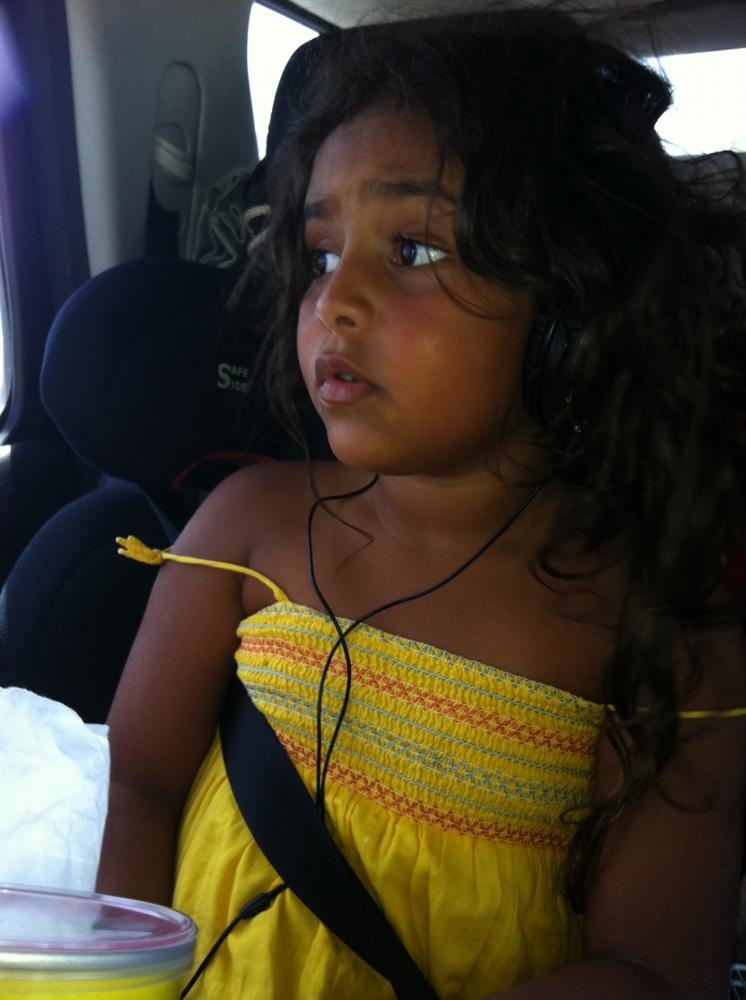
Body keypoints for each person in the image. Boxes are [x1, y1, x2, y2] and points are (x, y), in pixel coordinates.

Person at [96, 8, 746, 999]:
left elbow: (654, 967)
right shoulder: (246, 526)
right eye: (320, 256)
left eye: (411, 251)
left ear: (569, 310)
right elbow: (141, 785)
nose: (333, 301)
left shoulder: (659, 624)